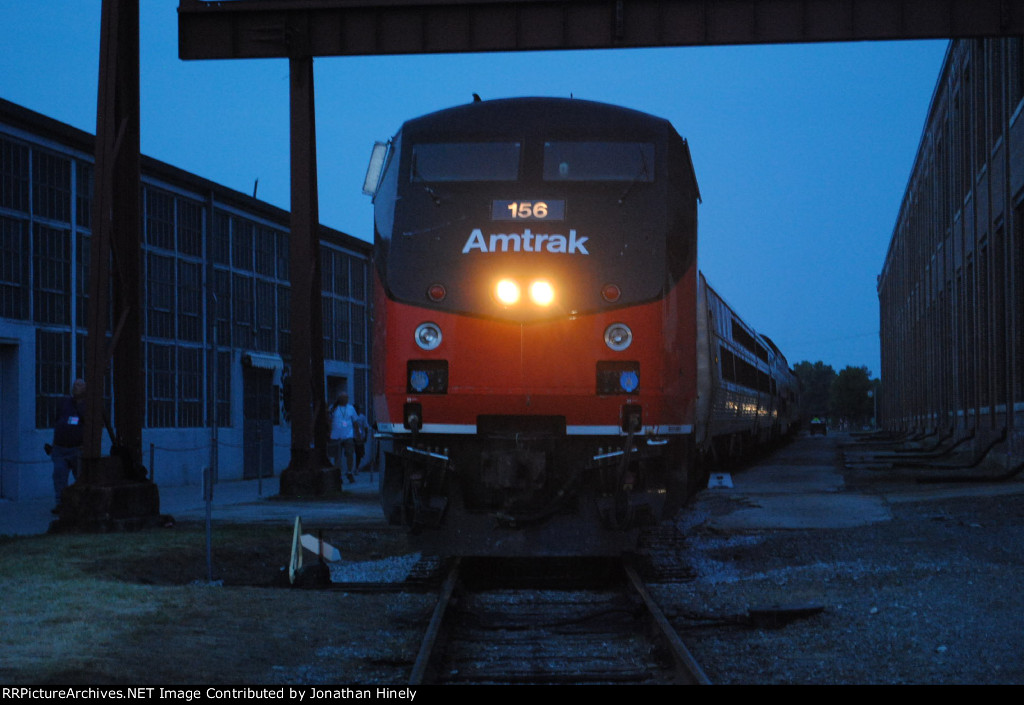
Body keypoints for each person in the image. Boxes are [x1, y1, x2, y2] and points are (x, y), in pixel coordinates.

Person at [51, 378, 86, 511]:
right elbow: (58, 419)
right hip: (60, 448)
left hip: (77, 449)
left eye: (80, 385)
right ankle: (61, 503)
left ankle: (82, 503)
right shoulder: (65, 402)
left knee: (81, 477)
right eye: (75, 385)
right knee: (59, 475)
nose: (76, 387)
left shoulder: (87, 405)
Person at [329, 392, 358, 483]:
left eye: (347, 398)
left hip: (348, 435)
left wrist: (357, 433)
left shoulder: (351, 408)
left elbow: (355, 421)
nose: (346, 399)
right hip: (336, 436)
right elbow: (329, 421)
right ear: (339, 399)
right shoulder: (333, 408)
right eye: (344, 398)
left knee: (350, 454)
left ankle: (349, 472)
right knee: (337, 456)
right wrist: (329, 432)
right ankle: (338, 474)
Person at [352, 403, 369, 474]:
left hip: (360, 438)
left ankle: (357, 467)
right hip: (353, 437)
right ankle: (355, 468)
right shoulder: (351, 417)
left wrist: (366, 436)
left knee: (360, 453)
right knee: (355, 453)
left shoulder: (362, 417)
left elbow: (366, 427)